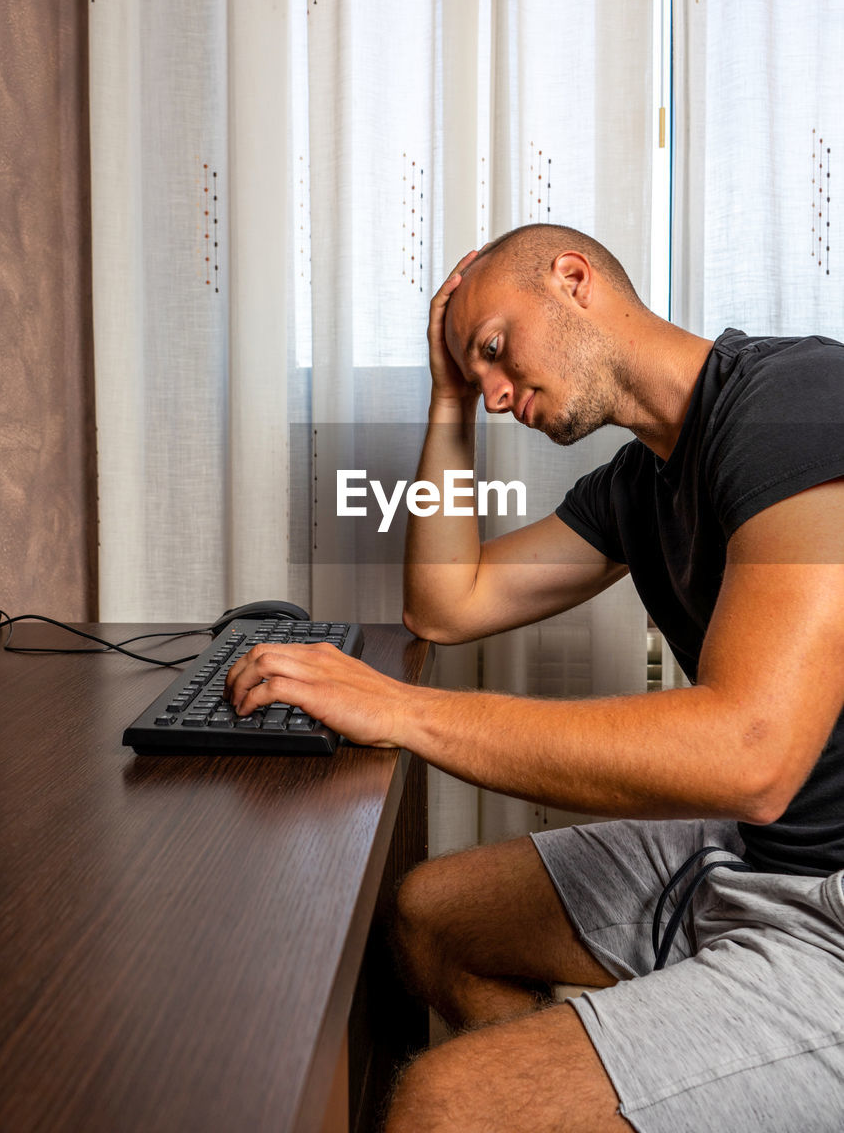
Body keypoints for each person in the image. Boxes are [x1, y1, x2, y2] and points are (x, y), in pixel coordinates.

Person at [226, 224, 844, 1132]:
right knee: (431, 916)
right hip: (763, 858)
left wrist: (399, 710)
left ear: (572, 278)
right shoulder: (639, 485)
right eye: (483, 380)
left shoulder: (795, 400)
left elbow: (751, 756)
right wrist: (449, 400)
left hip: (829, 907)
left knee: (447, 1105)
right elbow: (445, 603)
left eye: (494, 351)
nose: (501, 391)